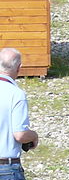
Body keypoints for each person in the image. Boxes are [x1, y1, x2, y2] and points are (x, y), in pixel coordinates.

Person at [0, 48, 39, 179]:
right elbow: (20, 135)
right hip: (6, 167)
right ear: (19, 68)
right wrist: (33, 136)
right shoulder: (16, 94)